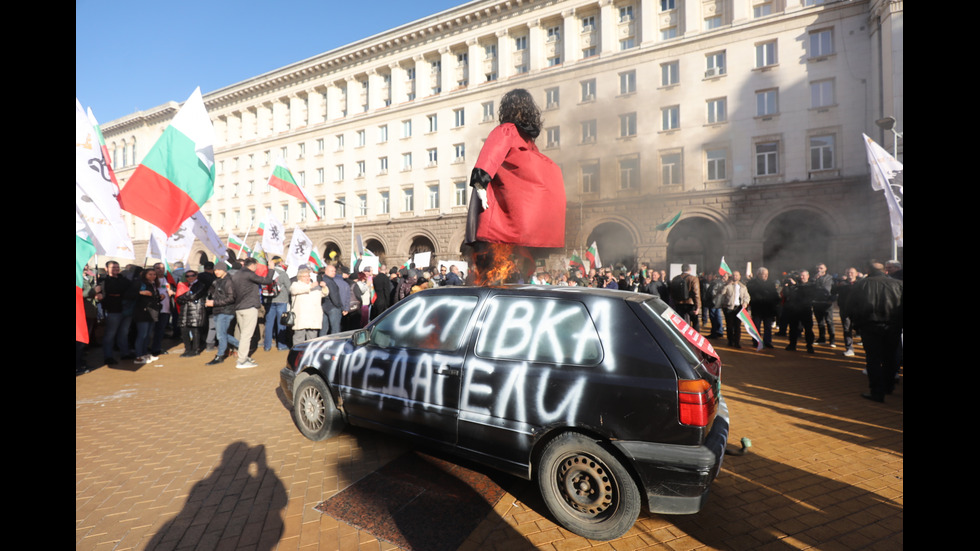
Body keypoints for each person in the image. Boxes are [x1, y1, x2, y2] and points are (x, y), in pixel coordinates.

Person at [464, 88, 566, 265]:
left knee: (491, 257)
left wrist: (480, 184)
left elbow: (490, 154)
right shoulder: (528, 140)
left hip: (501, 211)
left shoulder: (506, 129)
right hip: (526, 212)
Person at [847, 260, 903, 402]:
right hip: (893, 326)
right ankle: (888, 386)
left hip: (870, 326)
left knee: (873, 359)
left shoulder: (862, 284)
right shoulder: (898, 284)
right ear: (884, 270)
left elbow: (850, 307)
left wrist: (857, 324)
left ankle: (877, 392)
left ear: (868, 270)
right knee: (890, 357)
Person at [231, 258, 276, 369]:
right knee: (247, 335)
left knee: (243, 334)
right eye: (256, 265)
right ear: (253, 265)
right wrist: (271, 269)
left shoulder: (237, 274)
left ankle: (244, 356)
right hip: (248, 307)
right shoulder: (249, 274)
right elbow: (267, 281)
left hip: (239, 307)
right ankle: (241, 361)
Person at [204, 263, 240, 365]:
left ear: (224, 270)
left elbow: (231, 298)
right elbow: (213, 292)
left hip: (226, 311)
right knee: (222, 334)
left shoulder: (228, 281)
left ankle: (220, 356)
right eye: (215, 270)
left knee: (220, 335)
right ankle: (242, 346)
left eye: (219, 270)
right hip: (218, 310)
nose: (216, 272)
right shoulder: (217, 281)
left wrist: (214, 302)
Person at [133, 269, 163, 364]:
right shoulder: (140, 283)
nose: (153, 276)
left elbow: (153, 297)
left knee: (148, 335)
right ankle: (139, 356)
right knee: (142, 334)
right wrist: (140, 293)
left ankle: (145, 354)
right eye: (150, 274)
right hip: (142, 312)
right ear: (145, 275)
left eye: (154, 274)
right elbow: (131, 294)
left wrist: (159, 297)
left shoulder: (153, 284)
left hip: (152, 312)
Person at [176, 270, 209, 357]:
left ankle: (195, 349)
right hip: (185, 310)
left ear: (196, 276)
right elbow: (178, 299)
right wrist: (186, 297)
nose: (190, 277)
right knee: (184, 330)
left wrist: (184, 297)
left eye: (192, 275)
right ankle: (187, 349)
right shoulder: (184, 285)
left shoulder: (201, 285)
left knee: (195, 331)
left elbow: (194, 296)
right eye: (187, 276)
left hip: (196, 310)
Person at [289, 267, 325, 344]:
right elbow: (295, 290)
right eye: (305, 276)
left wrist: (324, 287)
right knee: (299, 338)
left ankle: (310, 354)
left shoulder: (315, 286)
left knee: (312, 339)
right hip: (301, 317)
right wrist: (310, 286)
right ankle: (297, 354)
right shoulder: (295, 285)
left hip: (313, 317)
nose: (307, 278)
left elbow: (323, 293)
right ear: (299, 277)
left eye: (308, 276)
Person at [782, 270, 815, 353]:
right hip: (794, 309)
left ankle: (809, 346)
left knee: (808, 329)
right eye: (801, 275)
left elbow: (806, 292)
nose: (802, 277)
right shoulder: (794, 284)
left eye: (803, 275)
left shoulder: (811, 285)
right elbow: (786, 294)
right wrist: (786, 286)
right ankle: (792, 345)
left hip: (805, 309)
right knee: (793, 328)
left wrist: (795, 285)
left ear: (808, 276)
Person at [746, 267, 779, 349]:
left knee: (768, 327)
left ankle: (768, 341)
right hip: (757, 308)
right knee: (756, 326)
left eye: (767, 274)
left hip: (768, 309)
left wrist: (776, 302)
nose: (766, 276)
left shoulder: (770, 283)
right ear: (758, 274)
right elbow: (750, 293)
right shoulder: (752, 283)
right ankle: (756, 341)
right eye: (764, 274)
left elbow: (775, 295)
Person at [263, 257, 291, 352]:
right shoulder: (283, 273)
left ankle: (267, 346)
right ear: (280, 263)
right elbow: (289, 287)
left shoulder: (268, 273)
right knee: (281, 323)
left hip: (270, 300)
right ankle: (281, 345)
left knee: (269, 324)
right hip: (282, 300)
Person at [834, 267, 860, 357]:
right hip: (845, 310)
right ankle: (849, 348)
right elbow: (832, 292)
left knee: (861, 329)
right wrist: (837, 285)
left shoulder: (860, 283)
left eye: (852, 272)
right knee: (846, 329)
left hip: (858, 310)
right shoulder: (842, 284)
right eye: (848, 272)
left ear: (856, 274)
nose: (850, 274)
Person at [720, 271, 750, 348]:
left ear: (740, 276)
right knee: (729, 326)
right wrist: (727, 285)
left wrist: (745, 302)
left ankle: (737, 342)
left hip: (739, 308)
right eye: (734, 275)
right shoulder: (727, 285)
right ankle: (730, 340)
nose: (735, 277)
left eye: (737, 275)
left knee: (737, 326)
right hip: (729, 308)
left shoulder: (743, 287)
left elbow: (747, 296)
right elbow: (721, 293)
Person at [318, 264, 347, 336]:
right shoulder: (329, 281)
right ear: (326, 271)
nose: (334, 272)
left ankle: (321, 344)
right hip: (333, 307)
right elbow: (334, 296)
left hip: (324, 307)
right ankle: (335, 345)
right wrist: (340, 306)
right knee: (335, 329)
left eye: (334, 271)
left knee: (324, 329)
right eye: (332, 271)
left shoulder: (323, 279)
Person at [670, 264, 701, 329]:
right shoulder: (693, 278)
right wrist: (698, 307)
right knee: (695, 321)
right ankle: (695, 337)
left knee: (681, 322)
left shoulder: (675, 278)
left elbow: (672, 292)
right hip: (690, 304)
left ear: (682, 269)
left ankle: (682, 337)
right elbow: (696, 294)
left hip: (679, 304)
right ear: (690, 269)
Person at [812, 263, 836, 347]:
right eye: (818, 268)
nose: (819, 270)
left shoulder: (830, 278)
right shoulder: (814, 278)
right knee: (820, 322)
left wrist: (831, 300)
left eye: (821, 268)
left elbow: (834, 290)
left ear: (825, 269)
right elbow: (810, 289)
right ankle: (822, 338)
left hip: (827, 303)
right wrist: (814, 280)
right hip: (817, 302)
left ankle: (832, 340)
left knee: (829, 321)